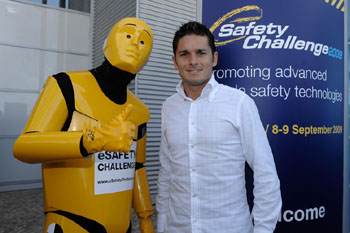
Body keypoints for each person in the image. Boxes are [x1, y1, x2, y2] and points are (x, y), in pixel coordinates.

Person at [13, 17, 155, 233]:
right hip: (72, 220)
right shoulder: (66, 85)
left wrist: (145, 219)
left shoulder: (140, 111)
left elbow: (137, 167)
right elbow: (23, 146)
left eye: (144, 41)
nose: (135, 43)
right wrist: (94, 140)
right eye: (127, 35)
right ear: (106, 43)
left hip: (122, 224)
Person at [156, 21, 282, 233]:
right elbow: (167, 173)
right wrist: (161, 226)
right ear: (175, 61)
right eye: (184, 54)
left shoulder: (239, 103)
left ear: (214, 58)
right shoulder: (169, 107)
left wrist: (262, 229)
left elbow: (265, 174)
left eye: (201, 53)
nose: (193, 61)